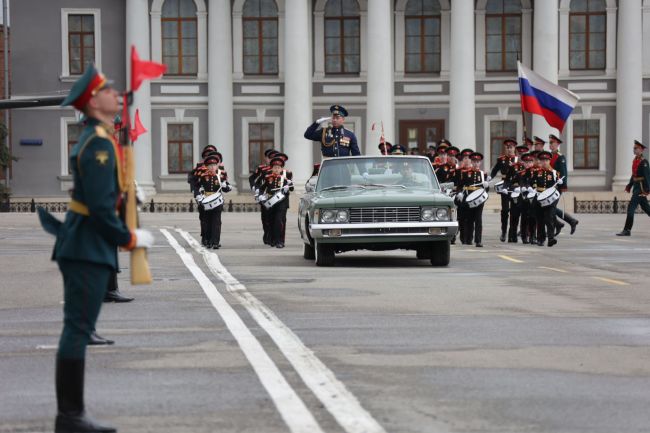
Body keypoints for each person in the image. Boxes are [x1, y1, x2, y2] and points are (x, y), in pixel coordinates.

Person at [37, 65, 154, 433]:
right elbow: (102, 208)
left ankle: (70, 415)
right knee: (77, 329)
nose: (116, 94)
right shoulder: (100, 143)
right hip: (87, 246)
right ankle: (70, 417)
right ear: (93, 101)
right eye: (108, 90)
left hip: (83, 243)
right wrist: (131, 239)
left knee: (77, 328)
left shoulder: (97, 137)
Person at [259, 156, 294, 248]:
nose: (276, 169)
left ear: (281, 169)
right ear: (272, 168)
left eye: (278, 168)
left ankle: (280, 241)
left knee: (279, 221)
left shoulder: (285, 179)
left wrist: (289, 186)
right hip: (271, 203)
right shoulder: (268, 178)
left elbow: (292, 188)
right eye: (275, 167)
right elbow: (262, 189)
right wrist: (261, 195)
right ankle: (273, 240)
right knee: (271, 221)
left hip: (281, 203)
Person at [199, 153, 232, 249]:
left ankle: (215, 242)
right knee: (208, 222)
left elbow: (228, 188)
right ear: (207, 166)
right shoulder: (203, 175)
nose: (212, 167)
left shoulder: (222, 175)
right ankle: (209, 241)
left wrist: (226, 186)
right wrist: (200, 196)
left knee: (216, 222)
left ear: (217, 165)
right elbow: (200, 188)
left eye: (214, 165)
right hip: (207, 201)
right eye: (210, 165)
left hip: (217, 202)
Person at [617, 140, 650, 236]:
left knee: (631, 208)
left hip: (640, 188)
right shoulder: (636, 160)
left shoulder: (644, 162)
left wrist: (647, 189)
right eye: (633, 148)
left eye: (635, 148)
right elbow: (634, 175)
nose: (634, 150)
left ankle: (627, 230)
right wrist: (629, 185)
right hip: (636, 187)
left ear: (641, 150)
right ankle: (627, 229)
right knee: (647, 209)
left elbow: (647, 176)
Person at [549, 134, 579, 235]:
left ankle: (561, 223)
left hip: (557, 187)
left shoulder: (560, 157)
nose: (551, 145)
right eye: (550, 143)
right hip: (550, 187)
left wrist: (563, 186)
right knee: (550, 207)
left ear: (557, 144)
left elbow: (563, 173)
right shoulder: (550, 156)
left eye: (552, 143)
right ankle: (566, 222)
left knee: (550, 207)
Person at [531, 151, 562, 247]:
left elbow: (558, 187)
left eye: (546, 160)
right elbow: (532, 182)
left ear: (549, 161)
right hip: (539, 197)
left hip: (550, 200)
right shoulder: (536, 172)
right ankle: (541, 239)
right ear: (540, 161)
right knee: (540, 219)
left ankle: (551, 238)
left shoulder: (554, 173)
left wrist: (560, 182)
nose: (544, 162)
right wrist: (531, 188)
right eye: (543, 160)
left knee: (549, 218)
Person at [490, 138, 517, 242]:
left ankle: (512, 232)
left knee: (514, 211)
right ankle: (504, 231)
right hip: (504, 185)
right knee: (505, 210)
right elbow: (494, 170)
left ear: (514, 148)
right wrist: (489, 178)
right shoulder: (501, 159)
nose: (509, 149)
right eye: (507, 147)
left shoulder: (518, 160)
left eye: (511, 147)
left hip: (514, 186)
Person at [462, 152, 489, 247]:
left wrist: (487, 185)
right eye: (474, 161)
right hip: (468, 198)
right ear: (471, 162)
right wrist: (461, 194)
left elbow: (486, 190)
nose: (475, 163)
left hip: (479, 200)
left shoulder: (483, 174)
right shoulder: (466, 173)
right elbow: (462, 186)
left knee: (478, 219)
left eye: (477, 162)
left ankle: (478, 240)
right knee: (469, 219)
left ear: (480, 163)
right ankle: (469, 239)